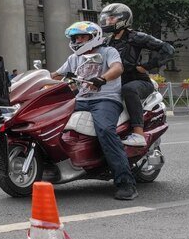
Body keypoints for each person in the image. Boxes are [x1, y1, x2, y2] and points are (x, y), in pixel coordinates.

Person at [52, 21, 138, 201]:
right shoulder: (74, 58)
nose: (78, 40)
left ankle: (126, 182)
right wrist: (37, 79)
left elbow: (117, 68)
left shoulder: (108, 52)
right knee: (51, 120)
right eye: (75, 37)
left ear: (94, 37)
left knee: (106, 130)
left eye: (82, 37)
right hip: (80, 100)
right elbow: (56, 76)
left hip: (105, 99)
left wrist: (102, 78)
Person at [100, 3, 174, 147]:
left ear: (123, 19)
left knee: (129, 89)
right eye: (107, 19)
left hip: (139, 82)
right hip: (117, 82)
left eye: (112, 18)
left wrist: (146, 66)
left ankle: (138, 134)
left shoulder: (136, 37)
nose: (108, 21)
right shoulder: (107, 41)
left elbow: (168, 49)